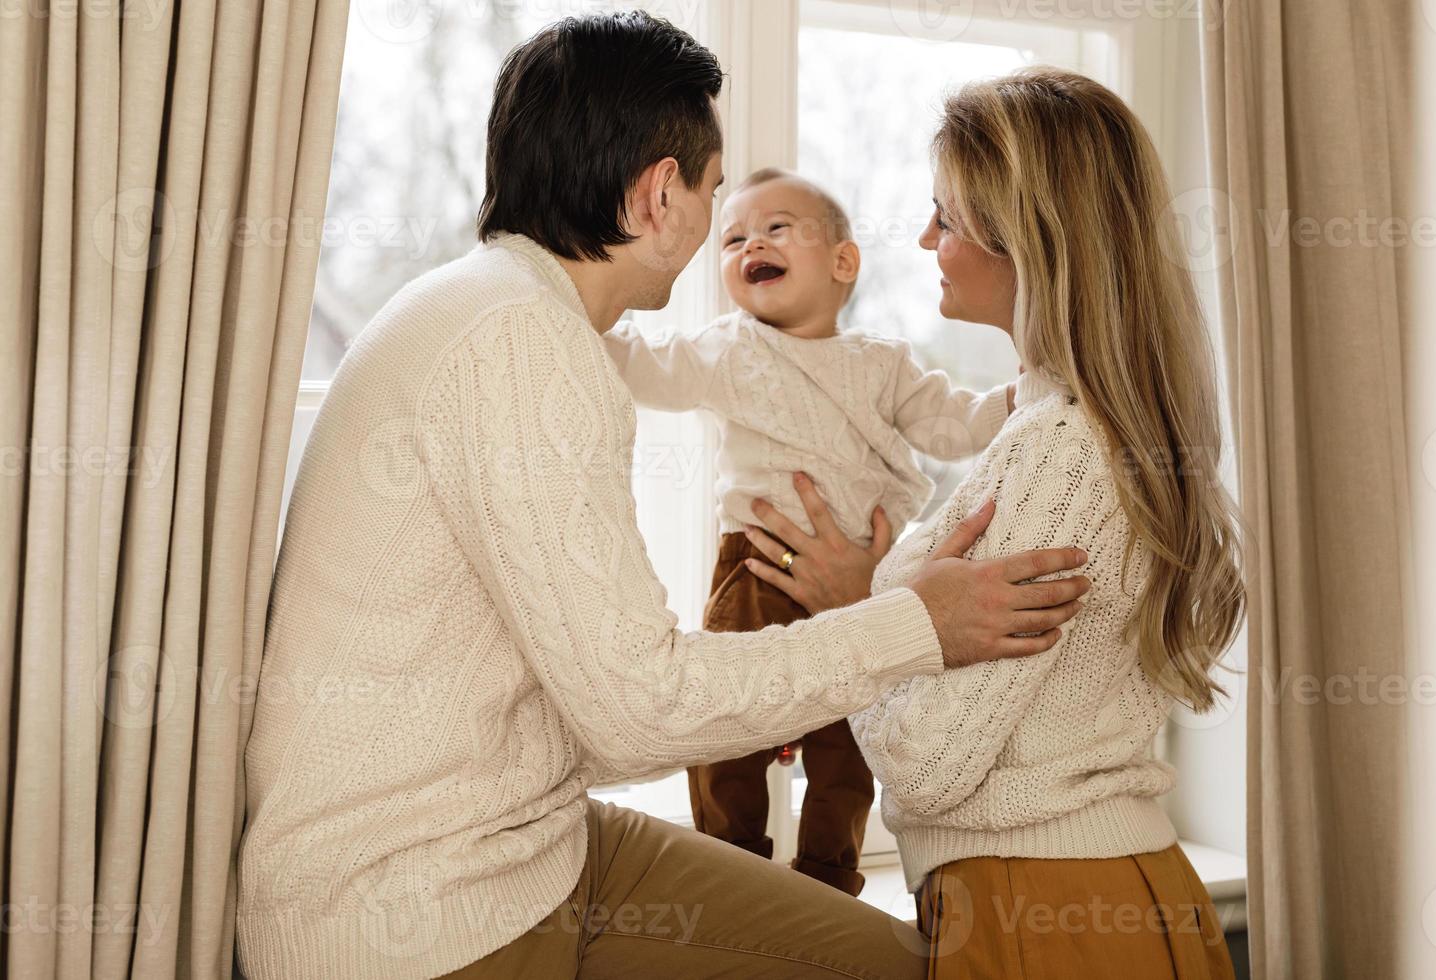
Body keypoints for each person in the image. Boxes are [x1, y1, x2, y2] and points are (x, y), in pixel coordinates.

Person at [234, 14, 1090, 980]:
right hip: (416, 910)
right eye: (717, 195)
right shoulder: (515, 343)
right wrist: (912, 623)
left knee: (898, 963)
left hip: (533, 840)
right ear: (659, 194)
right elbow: (639, 712)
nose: (726, 227)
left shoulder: (503, 313)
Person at [749, 69, 1245, 979]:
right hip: (1081, 900)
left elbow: (932, 764)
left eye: (949, 216)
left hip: (1048, 916)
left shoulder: (1063, 450)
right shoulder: (1059, 425)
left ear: (1030, 242)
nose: (928, 238)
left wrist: (860, 614)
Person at [602, 166, 1016, 897]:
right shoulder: (726, 350)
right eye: (731, 238)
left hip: (860, 583)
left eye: (774, 228)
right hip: (756, 568)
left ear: (842, 263)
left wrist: (1013, 402)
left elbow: (950, 423)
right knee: (726, 730)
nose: (749, 244)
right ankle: (730, 866)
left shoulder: (882, 364)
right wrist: (581, 312)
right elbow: (644, 366)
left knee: (846, 745)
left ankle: (828, 876)